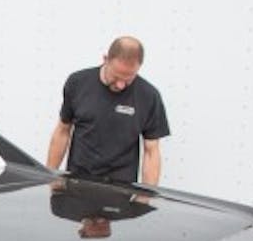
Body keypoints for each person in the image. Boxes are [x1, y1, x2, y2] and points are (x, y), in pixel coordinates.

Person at [47, 36, 170, 184]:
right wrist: (49, 177)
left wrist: (147, 197)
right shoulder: (77, 83)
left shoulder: (149, 96)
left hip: (121, 188)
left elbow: (152, 151)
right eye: (116, 76)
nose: (120, 85)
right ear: (105, 59)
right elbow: (62, 131)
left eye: (129, 78)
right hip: (77, 182)